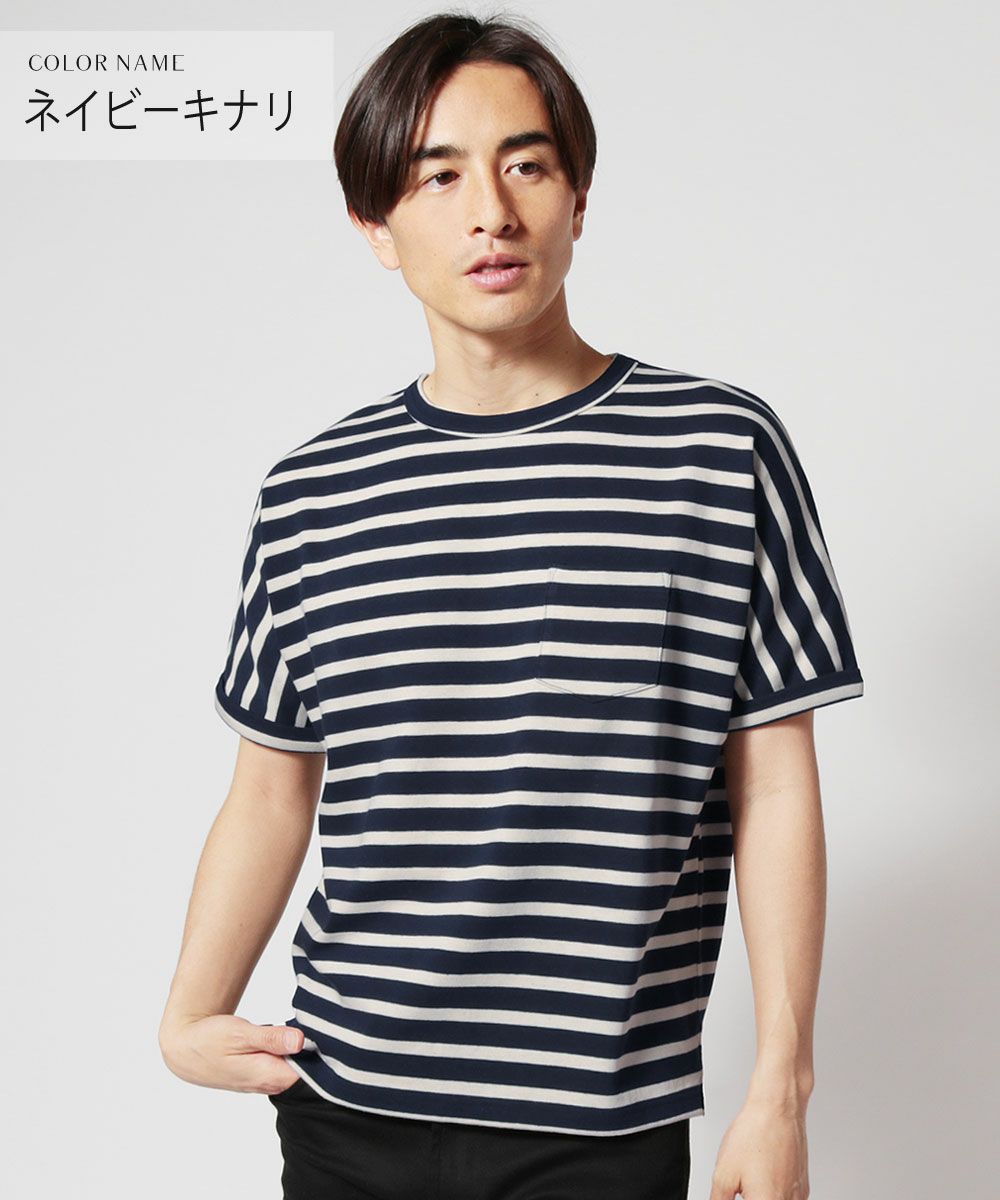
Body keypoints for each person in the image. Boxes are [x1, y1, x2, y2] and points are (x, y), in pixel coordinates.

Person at [159, 11, 864, 1200]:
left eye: (525, 164)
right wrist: (189, 1012)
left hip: (597, 1123)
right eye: (437, 177)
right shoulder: (312, 491)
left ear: (577, 199)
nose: (489, 211)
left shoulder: (714, 450)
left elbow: (775, 782)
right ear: (375, 227)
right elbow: (272, 787)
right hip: (345, 1103)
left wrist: (779, 1090)